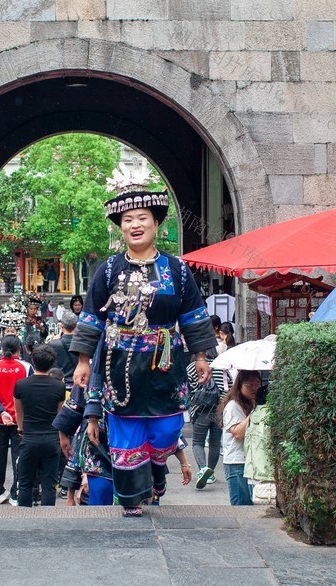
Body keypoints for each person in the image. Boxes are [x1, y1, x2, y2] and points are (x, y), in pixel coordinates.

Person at [70, 165, 216, 517]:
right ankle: (133, 499)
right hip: (120, 364)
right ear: (120, 228)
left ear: (156, 224)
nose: (135, 225)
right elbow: (92, 316)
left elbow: (193, 313)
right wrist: (83, 361)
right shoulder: (107, 270)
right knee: (126, 432)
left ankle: (155, 470)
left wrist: (200, 355)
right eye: (128, 220)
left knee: (166, 429)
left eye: (142, 218)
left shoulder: (178, 269)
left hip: (165, 364)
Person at [13, 344, 65, 507]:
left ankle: (24, 520)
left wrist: (21, 428)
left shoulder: (21, 385)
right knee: (49, 485)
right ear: (52, 363)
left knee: (25, 484)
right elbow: (59, 414)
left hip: (29, 437)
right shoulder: (59, 386)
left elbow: (18, 411)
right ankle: (48, 521)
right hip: (51, 439)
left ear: (33, 361)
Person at [0, 334, 33, 504]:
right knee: (19, 456)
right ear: (19, 349)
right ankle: (15, 493)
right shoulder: (26, 367)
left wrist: (1, 411)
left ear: (2, 349)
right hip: (20, 419)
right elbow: (28, 393)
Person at [219, 369, 262, 506]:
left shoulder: (252, 403)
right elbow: (238, 433)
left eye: (257, 384)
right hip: (236, 462)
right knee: (240, 506)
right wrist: (255, 412)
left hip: (250, 461)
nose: (254, 388)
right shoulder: (233, 406)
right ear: (240, 385)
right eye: (249, 385)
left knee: (250, 504)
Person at [186, 358, 230, 489]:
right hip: (217, 411)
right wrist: (220, 408)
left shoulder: (192, 367)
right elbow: (228, 389)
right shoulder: (222, 366)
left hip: (200, 412)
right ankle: (210, 473)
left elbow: (187, 389)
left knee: (197, 443)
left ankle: (203, 469)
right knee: (215, 444)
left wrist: (192, 406)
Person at [51, 312, 79, 390]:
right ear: (77, 326)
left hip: (59, 384)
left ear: (61, 326)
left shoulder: (53, 344)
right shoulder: (83, 344)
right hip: (79, 383)